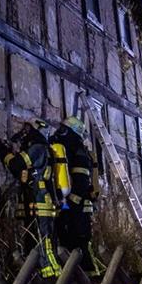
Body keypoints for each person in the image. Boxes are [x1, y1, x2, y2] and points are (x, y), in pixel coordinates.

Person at [0, 120, 62, 277]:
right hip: (36, 200)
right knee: (35, 241)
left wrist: (0, 148)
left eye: (26, 130)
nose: (23, 134)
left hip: (40, 201)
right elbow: (22, 169)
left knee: (44, 241)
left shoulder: (37, 148)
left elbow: (17, 165)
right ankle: (40, 277)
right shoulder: (40, 148)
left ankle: (52, 277)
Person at [52, 116, 97, 273]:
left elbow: (79, 180)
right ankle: (82, 277)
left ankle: (86, 278)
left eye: (64, 129)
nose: (60, 132)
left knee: (76, 241)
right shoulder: (76, 149)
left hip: (75, 206)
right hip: (75, 204)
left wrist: (68, 201)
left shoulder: (74, 148)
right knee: (75, 240)